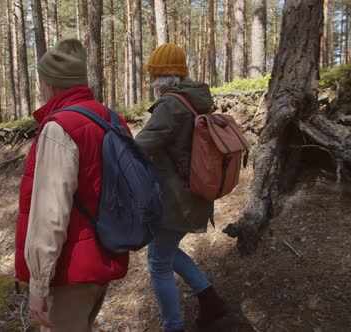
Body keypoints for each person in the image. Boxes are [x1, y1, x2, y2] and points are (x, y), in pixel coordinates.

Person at [14, 38, 129, 332]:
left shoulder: (59, 127)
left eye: (42, 80)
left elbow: (51, 212)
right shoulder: (110, 119)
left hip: (69, 271)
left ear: (50, 83)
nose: (40, 86)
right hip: (102, 257)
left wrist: (38, 283)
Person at [135, 43, 226, 332]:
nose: (150, 81)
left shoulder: (172, 104)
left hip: (177, 199)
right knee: (167, 251)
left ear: (161, 77)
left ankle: (173, 327)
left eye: (152, 75)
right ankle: (209, 298)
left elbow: (141, 146)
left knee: (158, 263)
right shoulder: (195, 98)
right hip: (194, 192)